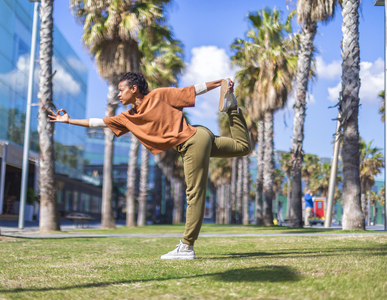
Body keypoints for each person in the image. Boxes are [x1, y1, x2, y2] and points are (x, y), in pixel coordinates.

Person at [49, 72, 251, 259]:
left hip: (191, 143)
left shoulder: (158, 95)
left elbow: (192, 90)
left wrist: (220, 84)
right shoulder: (129, 117)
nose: (119, 94)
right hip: (200, 135)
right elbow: (99, 122)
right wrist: (69, 120)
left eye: (121, 90)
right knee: (243, 146)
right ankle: (233, 109)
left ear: (134, 89)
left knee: (195, 195)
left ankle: (186, 246)